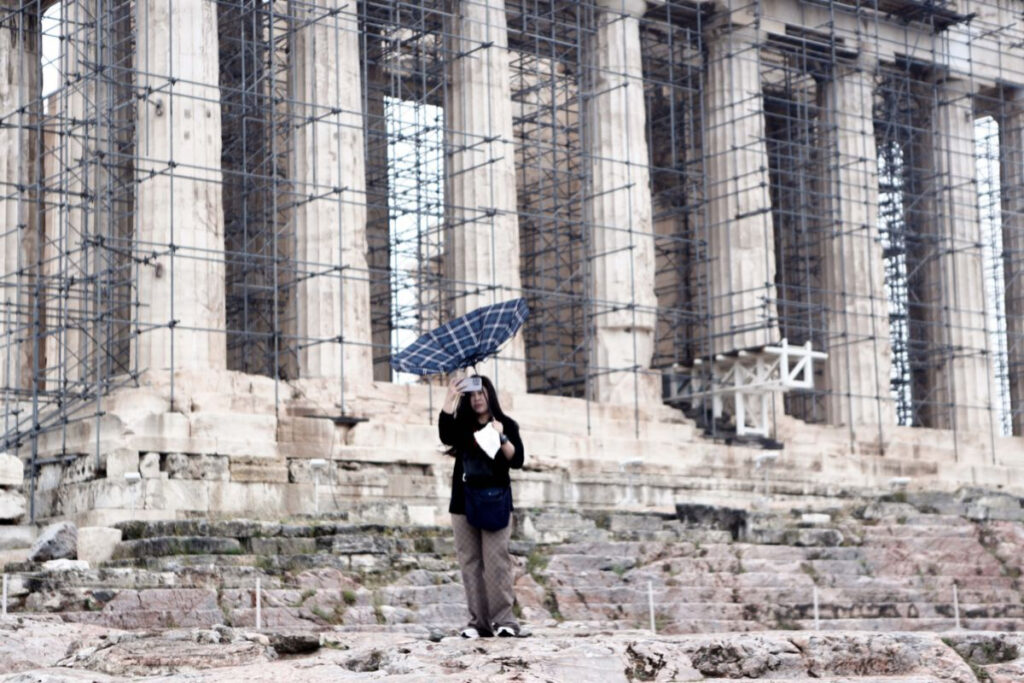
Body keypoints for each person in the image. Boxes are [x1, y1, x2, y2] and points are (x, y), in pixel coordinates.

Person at [439, 373, 527, 638]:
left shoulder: (506, 423)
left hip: (495, 500)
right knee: (470, 563)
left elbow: (517, 459)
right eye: (472, 395)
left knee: (496, 561)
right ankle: (478, 623)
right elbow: (445, 435)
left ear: (490, 395)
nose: (477, 399)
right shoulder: (462, 425)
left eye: (481, 393)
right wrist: (450, 397)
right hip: (463, 501)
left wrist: (501, 436)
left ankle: (504, 621)